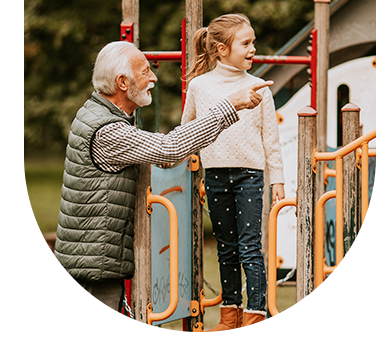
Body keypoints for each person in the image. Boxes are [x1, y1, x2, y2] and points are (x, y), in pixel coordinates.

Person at [53, 40, 272, 332]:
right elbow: (169, 148)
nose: (154, 77)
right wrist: (229, 106)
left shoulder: (101, 113)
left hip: (98, 258)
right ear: (122, 82)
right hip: (95, 264)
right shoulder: (108, 130)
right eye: (145, 72)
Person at [181, 14, 285, 332]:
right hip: (214, 175)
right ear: (223, 49)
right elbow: (188, 129)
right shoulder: (199, 86)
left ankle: (254, 318)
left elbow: (271, 136)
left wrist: (277, 177)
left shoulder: (258, 87)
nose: (253, 48)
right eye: (246, 43)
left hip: (250, 176)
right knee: (226, 247)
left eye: (253, 42)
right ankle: (231, 315)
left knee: (250, 247)